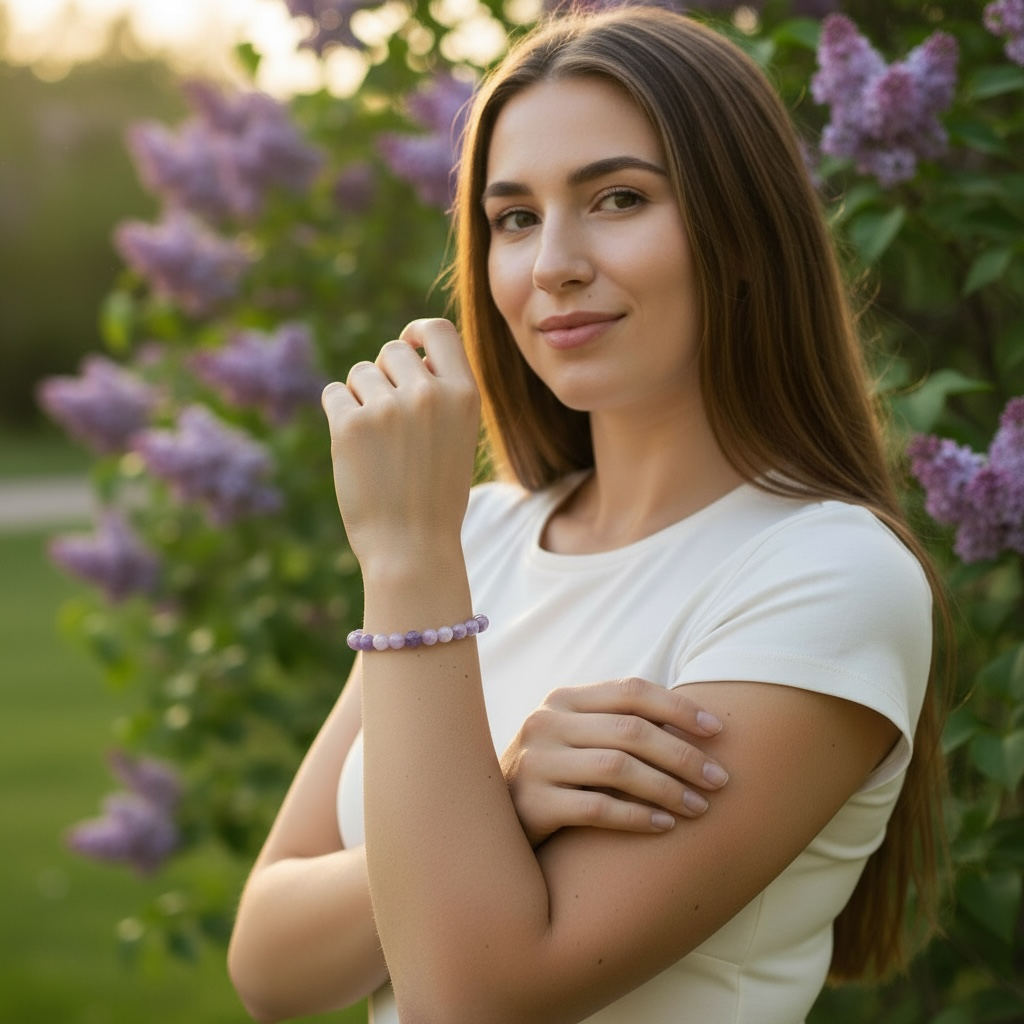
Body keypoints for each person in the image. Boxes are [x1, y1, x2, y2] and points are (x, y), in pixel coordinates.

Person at [227, 7, 947, 1023]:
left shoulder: (825, 577)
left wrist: (406, 557)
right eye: (515, 217)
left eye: (618, 198)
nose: (551, 264)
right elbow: (268, 962)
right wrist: (507, 796)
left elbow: (468, 1000)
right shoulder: (480, 534)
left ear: (743, 231)